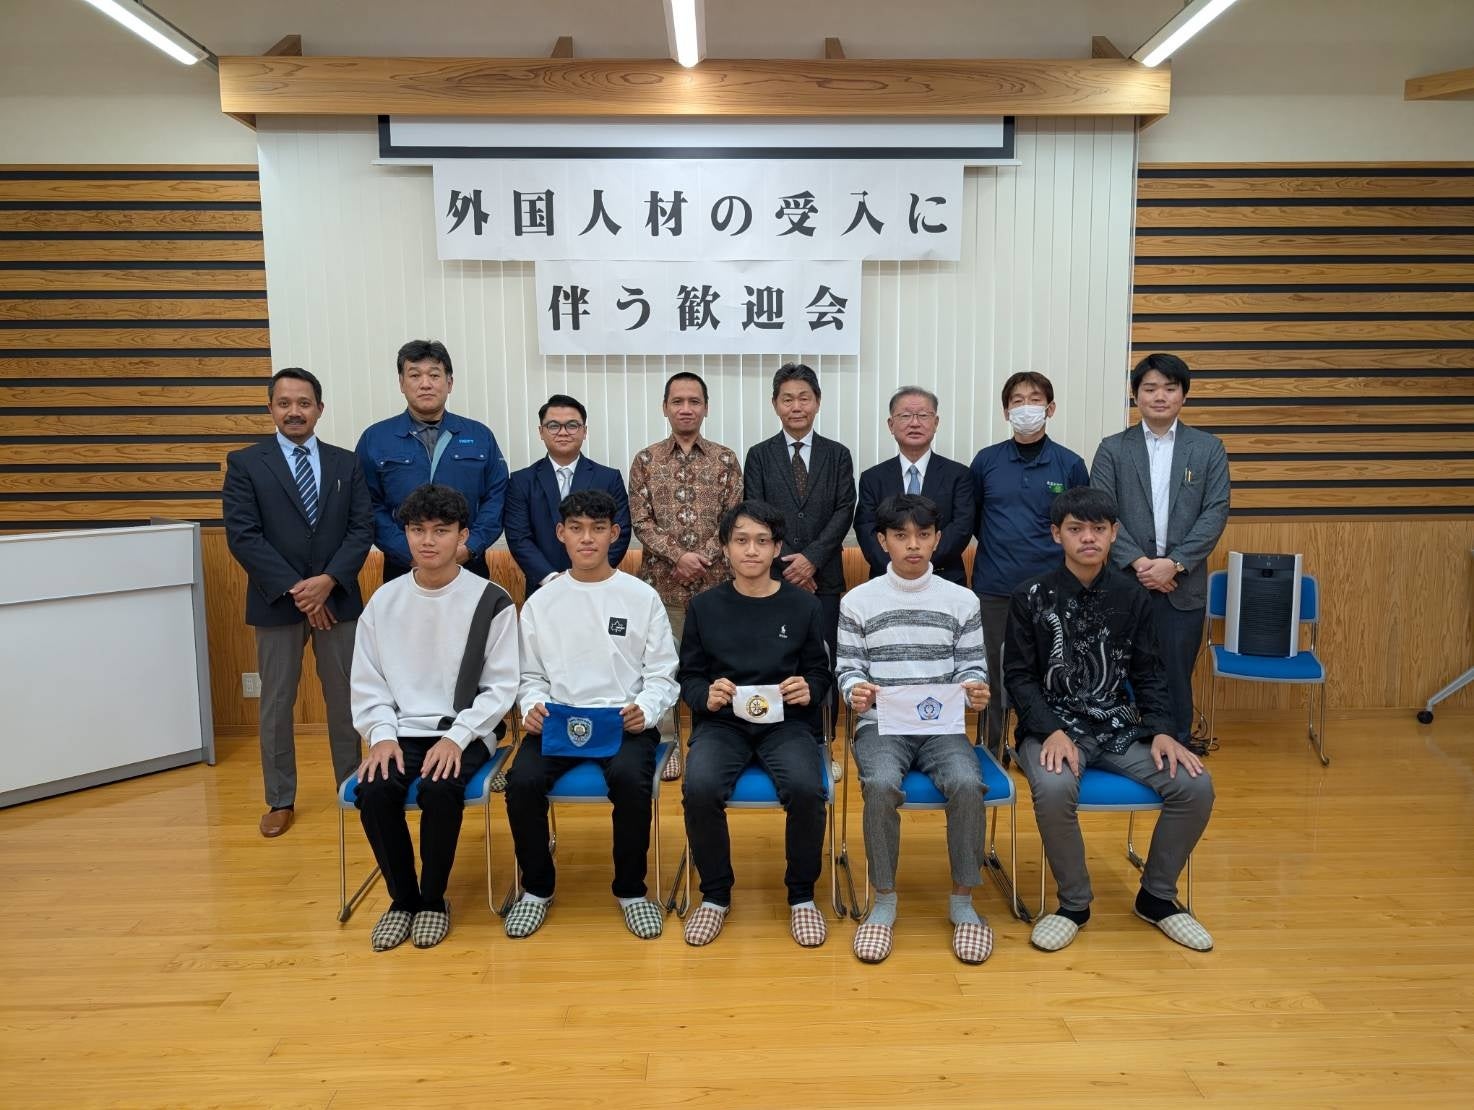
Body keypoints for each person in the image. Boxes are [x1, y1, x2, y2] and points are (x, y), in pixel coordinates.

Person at [1005, 485, 1215, 953]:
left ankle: (1157, 897)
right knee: (1054, 787)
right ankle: (1073, 905)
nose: (1088, 538)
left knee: (1195, 785)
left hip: (1117, 726)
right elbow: (1018, 677)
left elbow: (1149, 672)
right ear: (1056, 534)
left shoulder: (1132, 596)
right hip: (1051, 726)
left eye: (1098, 529)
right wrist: (1050, 730)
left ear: (1114, 533)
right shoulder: (1031, 596)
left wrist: (1163, 732)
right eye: (1076, 529)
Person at [503, 489, 680, 940]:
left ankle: (631, 891)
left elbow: (662, 672)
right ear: (560, 533)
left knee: (630, 781)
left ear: (614, 534)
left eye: (598, 529)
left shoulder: (641, 597)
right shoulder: (542, 602)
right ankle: (536, 889)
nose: (587, 539)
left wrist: (645, 710)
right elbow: (529, 674)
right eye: (577, 529)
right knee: (521, 783)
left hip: (622, 721)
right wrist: (531, 706)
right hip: (558, 721)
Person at [350, 483, 519, 952]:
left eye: (441, 531)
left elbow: (501, 687)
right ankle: (401, 900)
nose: (428, 541)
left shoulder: (490, 600)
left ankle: (432, 900)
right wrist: (381, 735)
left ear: (462, 535)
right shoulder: (384, 601)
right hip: (399, 731)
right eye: (417, 530)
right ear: (405, 533)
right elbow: (368, 680)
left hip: (464, 732)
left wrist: (458, 737)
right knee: (374, 789)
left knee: (440, 788)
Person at [837, 494, 993, 967]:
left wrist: (975, 688)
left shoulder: (962, 600)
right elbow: (848, 667)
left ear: (937, 539)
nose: (913, 545)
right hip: (881, 724)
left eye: (923, 535)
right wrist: (855, 690)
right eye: (901, 536)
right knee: (881, 783)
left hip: (942, 726)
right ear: (882, 541)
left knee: (966, 782)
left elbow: (972, 665)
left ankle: (963, 899)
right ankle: (884, 899)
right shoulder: (857, 601)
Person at [222, 367, 373, 838]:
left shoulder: (346, 463)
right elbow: (243, 536)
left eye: (304, 403)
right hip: (277, 602)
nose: (294, 411)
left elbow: (361, 529)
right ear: (270, 408)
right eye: (284, 403)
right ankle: (280, 798)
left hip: (337, 598)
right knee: (277, 701)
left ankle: (351, 786)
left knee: (345, 698)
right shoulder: (246, 463)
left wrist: (327, 581)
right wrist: (300, 590)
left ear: (319, 409)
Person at [678, 501, 833, 949]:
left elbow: (820, 672)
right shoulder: (704, 606)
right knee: (699, 787)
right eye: (741, 540)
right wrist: (705, 695)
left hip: (786, 723)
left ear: (777, 548)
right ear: (725, 548)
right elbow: (690, 676)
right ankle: (715, 896)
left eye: (762, 541)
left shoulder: (803, 605)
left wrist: (810, 687)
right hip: (723, 723)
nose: (751, 550)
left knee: (806, 788)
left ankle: (802, 896)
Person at [1090, 353, 1231, 746]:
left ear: (1183, 395)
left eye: (1170, 388)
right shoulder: (1113, 449)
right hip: (1124, 582)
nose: (1160, 396)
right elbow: (1101, 512)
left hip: (1181, 586)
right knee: (1115, 670)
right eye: (1150, 388)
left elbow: (1215, 512)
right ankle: (1124, 747)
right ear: (1136, 395)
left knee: (1175, 676)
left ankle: (1176, 746)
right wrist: (1140, 563)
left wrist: (1174, 564)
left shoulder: (1208, 448)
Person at [629, 370, 743, 780]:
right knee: (661, 669)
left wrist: (702, 557)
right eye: (677, 401)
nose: (686, 408)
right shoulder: (646, 460)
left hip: (717, 589)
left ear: (706, 408)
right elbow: (640, 520)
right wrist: (679, 556)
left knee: (716, 669)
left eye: (694, 401)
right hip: (662, 588)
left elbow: (734, 518)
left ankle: (716, 741)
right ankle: (666, 742)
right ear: (665, 407)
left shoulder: (726, 459)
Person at [970, 371, 1089, 752]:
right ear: (1006, 411)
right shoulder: (986, 461)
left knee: (1050, 669)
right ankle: (990, 747)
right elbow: (975, 519)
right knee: (992, 670)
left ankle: (1039, 745)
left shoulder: (1070, 464)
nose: (1026, 407)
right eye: (1017, 401)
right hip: (994, 586)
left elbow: (1080, 526)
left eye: (1034, 400)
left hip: (1052, 589)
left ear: (1050, 408)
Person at [743, 363, 856, 722]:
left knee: (823, 657)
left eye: (804, 398)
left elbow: (844, 509)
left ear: (817, 402)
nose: (796, 407)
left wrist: (811, 560)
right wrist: (791, 563)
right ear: (775, 404)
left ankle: (825, 736)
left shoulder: (837, 454)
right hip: (774, 578)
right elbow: (756, 513)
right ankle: (777, 728)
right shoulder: (759, 455)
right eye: (788, 399)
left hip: (824, 577)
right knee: (777, 655)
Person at [355, 338, 508, 583]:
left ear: (449, 383)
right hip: (402, 568)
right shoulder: (375, 438)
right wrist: (408, 552)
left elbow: (497, 497)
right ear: (401, 383)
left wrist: (469, 547)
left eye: (434, 375)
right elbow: (367, 504)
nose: (425, 384)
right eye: (415, 375)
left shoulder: (480, 435)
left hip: (469, 565)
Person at [504, 393, 631, 596]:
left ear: (584, 431)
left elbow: (620, 532)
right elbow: (519, 537)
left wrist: (588, 574)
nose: (563, 432)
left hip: (598, 585)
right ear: (541, 432)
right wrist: (551, 578)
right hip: (543, 589)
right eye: (553, 426)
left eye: (572, 425)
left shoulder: (608, 478)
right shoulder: (521, 481)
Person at [854, 386, 973, 586]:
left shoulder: (959, 475)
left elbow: (961, 528)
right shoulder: (872, 478)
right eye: (905, 416)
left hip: (944, 579)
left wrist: (919, 566)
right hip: (886, 580)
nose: (915, 423)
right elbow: (866, 528)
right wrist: (897, 568)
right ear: (891, 425)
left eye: (923, 415)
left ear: (936, 423)